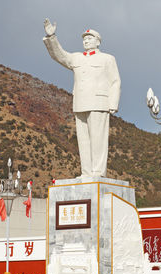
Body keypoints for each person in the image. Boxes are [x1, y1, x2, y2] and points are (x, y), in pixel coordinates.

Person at [42, 18, 121, 178]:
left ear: (98, 42)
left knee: (98, 139)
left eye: (89, 38)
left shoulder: (107, 59)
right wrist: (52, 37)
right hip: (80, 102)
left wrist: (113, 102)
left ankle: (98, 172)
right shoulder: (77, 58)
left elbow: (115, 81)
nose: (86, 41)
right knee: (83, 141)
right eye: (84, 39)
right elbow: (59, 55)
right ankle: (86, 172)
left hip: (99, 102)